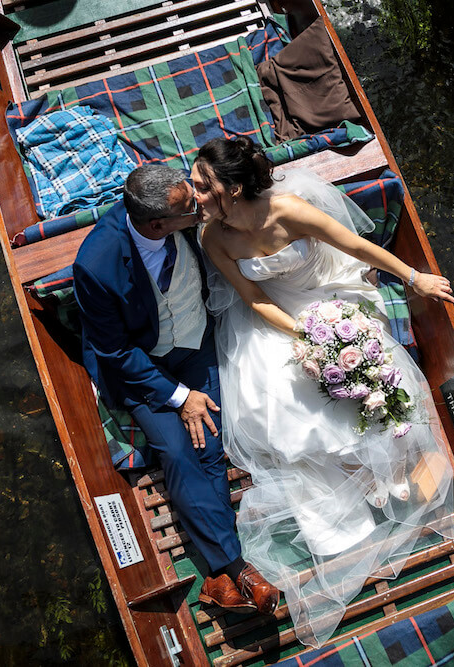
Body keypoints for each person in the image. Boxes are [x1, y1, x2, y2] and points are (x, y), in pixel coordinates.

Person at [193, 137, 454, 647]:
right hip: (277, 319)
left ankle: (387, 465)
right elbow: (251, 297)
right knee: (288, 405)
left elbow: (356, 246)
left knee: (366, 380)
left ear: (235, 187)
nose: (195, 193)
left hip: (328, 296)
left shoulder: (290, 210)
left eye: (204, 186)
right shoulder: (214, 239)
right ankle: (360, 481)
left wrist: (413, 277)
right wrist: (308, 338)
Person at [73, 164, 280, 615]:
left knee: (208, 449)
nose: (201, 210)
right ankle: (238, 567)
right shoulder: (96, 265)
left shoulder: (182, 216)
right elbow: (113, 352)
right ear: (157, 225)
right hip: (142, 370)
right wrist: (180, 397)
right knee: (179, 453)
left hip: (195, 345)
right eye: (191, 210)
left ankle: (215, 581)